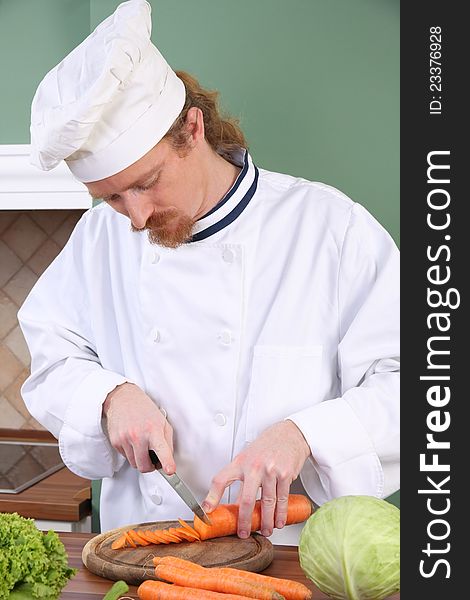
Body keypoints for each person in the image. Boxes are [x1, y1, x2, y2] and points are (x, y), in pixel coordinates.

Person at [19, 0, 399, 544]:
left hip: (290, 557)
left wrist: (304, 435)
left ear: (192, 129)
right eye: (111, 198)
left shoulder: (330, 230)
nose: (137, 217)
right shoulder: (97, 239)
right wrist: (109, 397)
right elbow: (53, 359)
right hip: (144, 555)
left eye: (147, 182)